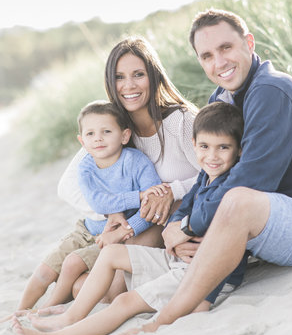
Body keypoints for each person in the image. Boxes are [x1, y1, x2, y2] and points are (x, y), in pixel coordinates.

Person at [112, 8, 292, 335]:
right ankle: (197, 300)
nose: (218, 62)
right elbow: (205, 178)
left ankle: (166, 317)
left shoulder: (271, 90)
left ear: (248, 43)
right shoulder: (223, 97)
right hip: (265, 222)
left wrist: (191, 225)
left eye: (226, 48)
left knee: (235, 200)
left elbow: (251, 181)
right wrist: (177, 223)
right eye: (207, 55)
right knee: (216, 203)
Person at [12, 102, 248, 335]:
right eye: (204, 147)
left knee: (124, 301)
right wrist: (172, 229)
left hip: (202, 274)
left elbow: (218, 250)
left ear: (239, 151)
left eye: (223, 148)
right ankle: (71, 317)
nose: (212, 156)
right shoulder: (205, 175)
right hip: (176, 259)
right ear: (194, 145)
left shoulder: (231, 187)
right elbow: (185, 207)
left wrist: (193, 305)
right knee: (111, 253)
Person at [0, 100, 163, 323]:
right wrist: (136, 196)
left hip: (112, 238)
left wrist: (134, 215)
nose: (98, 138)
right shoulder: (86, 166)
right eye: (91, 134)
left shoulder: (136, 162)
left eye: (106, 131)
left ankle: (46, 308)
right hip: (85, 229)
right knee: (45, 271)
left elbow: (152, 204)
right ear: (83, 141)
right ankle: (19, 310)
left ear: (124, 135)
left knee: (73, 263)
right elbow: (99, 203)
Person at [57, 36, 201, 297]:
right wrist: (112, 212)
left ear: (153, 76)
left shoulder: (181, 122)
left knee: (109, 292)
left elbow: (218, 173)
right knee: (83, 286)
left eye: (138, 74)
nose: (129, 85)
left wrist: (173, 190)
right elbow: (66, 188)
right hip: (140, 223)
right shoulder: (113, 130)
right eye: (120, 77)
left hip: (181, 220)